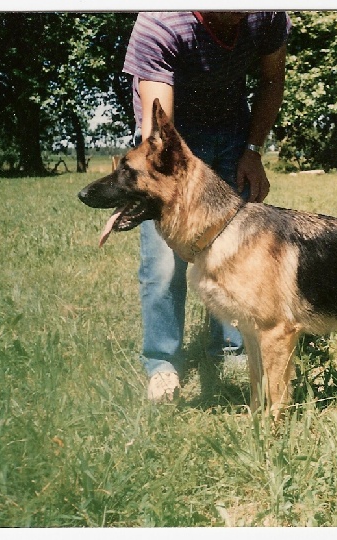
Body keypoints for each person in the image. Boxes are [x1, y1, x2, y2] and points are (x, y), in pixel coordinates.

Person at [122, 11, 291, 402]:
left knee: (238, 251)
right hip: (170, 138)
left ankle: (232, 348)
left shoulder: (266, 15)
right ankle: (162, 363)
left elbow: (272, 78)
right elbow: (159, 138)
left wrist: (253, 150)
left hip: (232, 128)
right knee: (165, 263)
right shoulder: (161, 23)